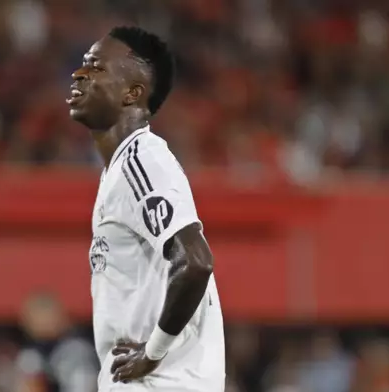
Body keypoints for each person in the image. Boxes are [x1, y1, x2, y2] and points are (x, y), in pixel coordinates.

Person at [68, 26, 225, 391]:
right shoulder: (122, 169)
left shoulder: (143, 161)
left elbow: (195, 261)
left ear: (132, 93)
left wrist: (152, 353)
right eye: (82, 64)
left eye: (96, 67)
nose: (79, 74)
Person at [15, 291, 98, 392]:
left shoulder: (77, 350)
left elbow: (84, 387)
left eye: (46, 315)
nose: (43, 323)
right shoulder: (30, 354)